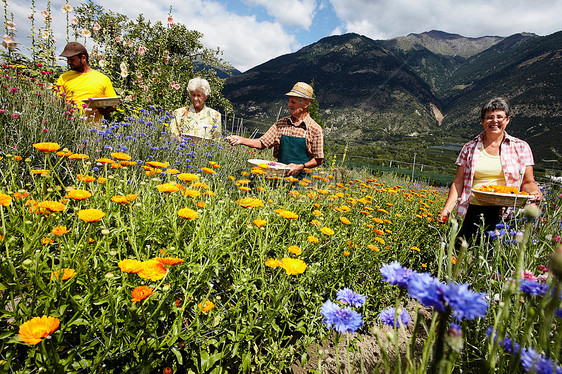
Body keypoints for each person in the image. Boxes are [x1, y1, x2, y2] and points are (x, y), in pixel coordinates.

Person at [438, 97, 542, 242]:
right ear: (482, 121)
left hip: (506, 213)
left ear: (507, 120)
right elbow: (458, 182)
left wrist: (535, 193)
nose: (495, 121)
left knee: (495, 258)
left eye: (500, 117)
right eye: (489, 117)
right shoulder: (469, 148)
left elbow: (528, 181)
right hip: (472, 209)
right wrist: (447, 209)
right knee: (461, 254)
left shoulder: (521, 147)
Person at [226, 82, 324, 177]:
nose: (289, 105)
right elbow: (262, 143)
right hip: (279, 176)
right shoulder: (281, 124)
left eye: (293, 102)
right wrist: (241, 140)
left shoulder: (314, 129)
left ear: (306, 104)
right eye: (289, 101)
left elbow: (318, 159)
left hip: (302, 181)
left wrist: (300, 166)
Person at [55, 42, 117, 123]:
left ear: (83, 58)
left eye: (72, 59)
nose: (68, 62)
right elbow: (55, 101)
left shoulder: (103, 78)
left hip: (94, 129)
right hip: (69, 126)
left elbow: (113, 103)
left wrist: (107, 109)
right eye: (68, 59)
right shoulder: (63, 77)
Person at [168, 77, 222, 142]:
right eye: (193, 95)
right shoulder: (179, 113)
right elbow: (172, 136)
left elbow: (217, 140)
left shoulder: (215, 115)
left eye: (199, 95)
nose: (195, 98)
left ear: (205, 97)